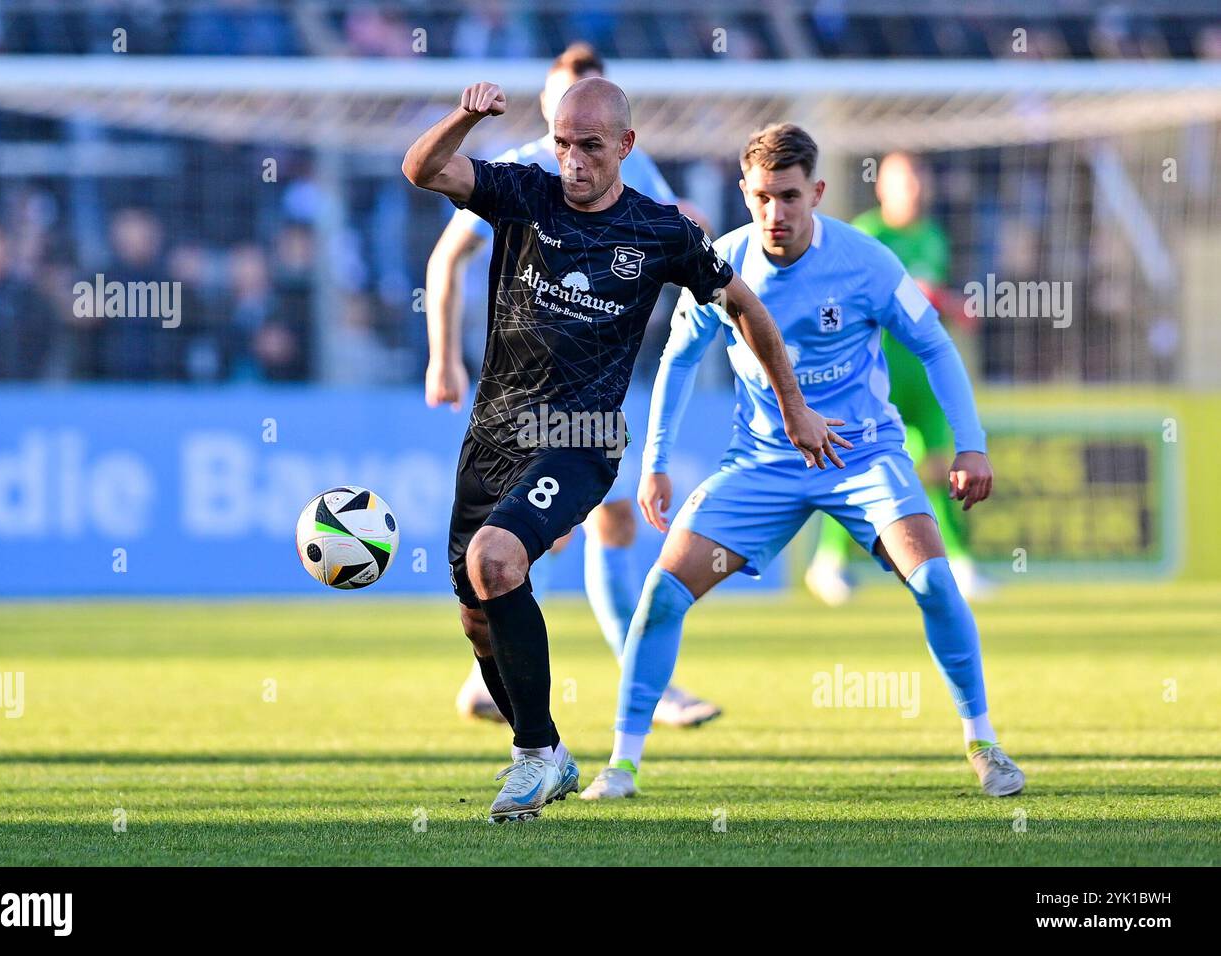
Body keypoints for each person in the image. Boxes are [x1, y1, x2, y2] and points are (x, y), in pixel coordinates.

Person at [402, 82, 845, 822]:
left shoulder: (659, 231)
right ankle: (547, 753)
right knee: (477, 613)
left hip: (582, 440)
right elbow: (422, 169)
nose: (572, 161)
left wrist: (794, 407)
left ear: (626, 148)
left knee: (493, 561)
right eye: (562, 143)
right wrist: (466, 118)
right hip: (493, 435)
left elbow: (747, 309)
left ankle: (535, 758)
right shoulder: (522, 193)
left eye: (591, 146)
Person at [579, 124, 1024, 802]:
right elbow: (678, 358)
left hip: (863, 454)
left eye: (789, 196)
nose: (775, 214)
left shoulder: (868, 262)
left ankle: (984, 743)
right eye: (761, 197)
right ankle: (623, 762)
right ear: (744, 193)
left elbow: (935, 346)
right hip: (762, 464)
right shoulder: (720, 263)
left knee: (935, 582)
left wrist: (970, 442)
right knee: (663, 594)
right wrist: (657, 461)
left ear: (816, 191)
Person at [428, 43, 721, 728]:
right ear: (547, 104)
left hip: (602, 382)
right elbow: (449, 253)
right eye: (564, 101)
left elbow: (666, 223)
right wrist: (443, 354)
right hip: (527, 388)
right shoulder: (529, 169)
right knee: (535, 539)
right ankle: (616, 688)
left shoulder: (625, 162)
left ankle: (629, 684)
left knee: (596, 523)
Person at [805, 151, 993, 604]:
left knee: (943, 464)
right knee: (855, 465)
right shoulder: (869, 235)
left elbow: (927, 305)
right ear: (881, 188)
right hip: (875, 373)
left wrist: (951, 306)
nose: (912, 191)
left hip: (921, 372)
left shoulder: (932, 236)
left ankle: (959, 563)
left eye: (917, 181)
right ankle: (828, 563)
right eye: (902, 182)